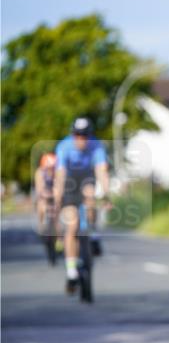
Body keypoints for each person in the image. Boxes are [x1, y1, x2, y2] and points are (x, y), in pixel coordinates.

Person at [54, 117, 110, 293]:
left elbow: (101, 171)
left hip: (86, 178)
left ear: (89, 135)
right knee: (72, 226)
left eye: (85, 136)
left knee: (90, 194)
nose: (81, 139)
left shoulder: (97, 146)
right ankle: (71, 272)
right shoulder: (64, 147)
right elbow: (60, 175)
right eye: (78, 135)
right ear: (72, 135)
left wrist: (106, 195)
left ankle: (93, 233)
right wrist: (58, 198)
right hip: (69, 182)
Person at [34, 152, 57, 233]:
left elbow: (58, 185)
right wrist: (44, 194)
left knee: (56, 207)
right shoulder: (39, 172)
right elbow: (39, 188)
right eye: (49, 168)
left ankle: (56, 228)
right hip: (43, 194)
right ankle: (41, 223)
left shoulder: (56, 172)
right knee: (42, 205)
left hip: (52, 193)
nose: (51, 170)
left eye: (52, 168)